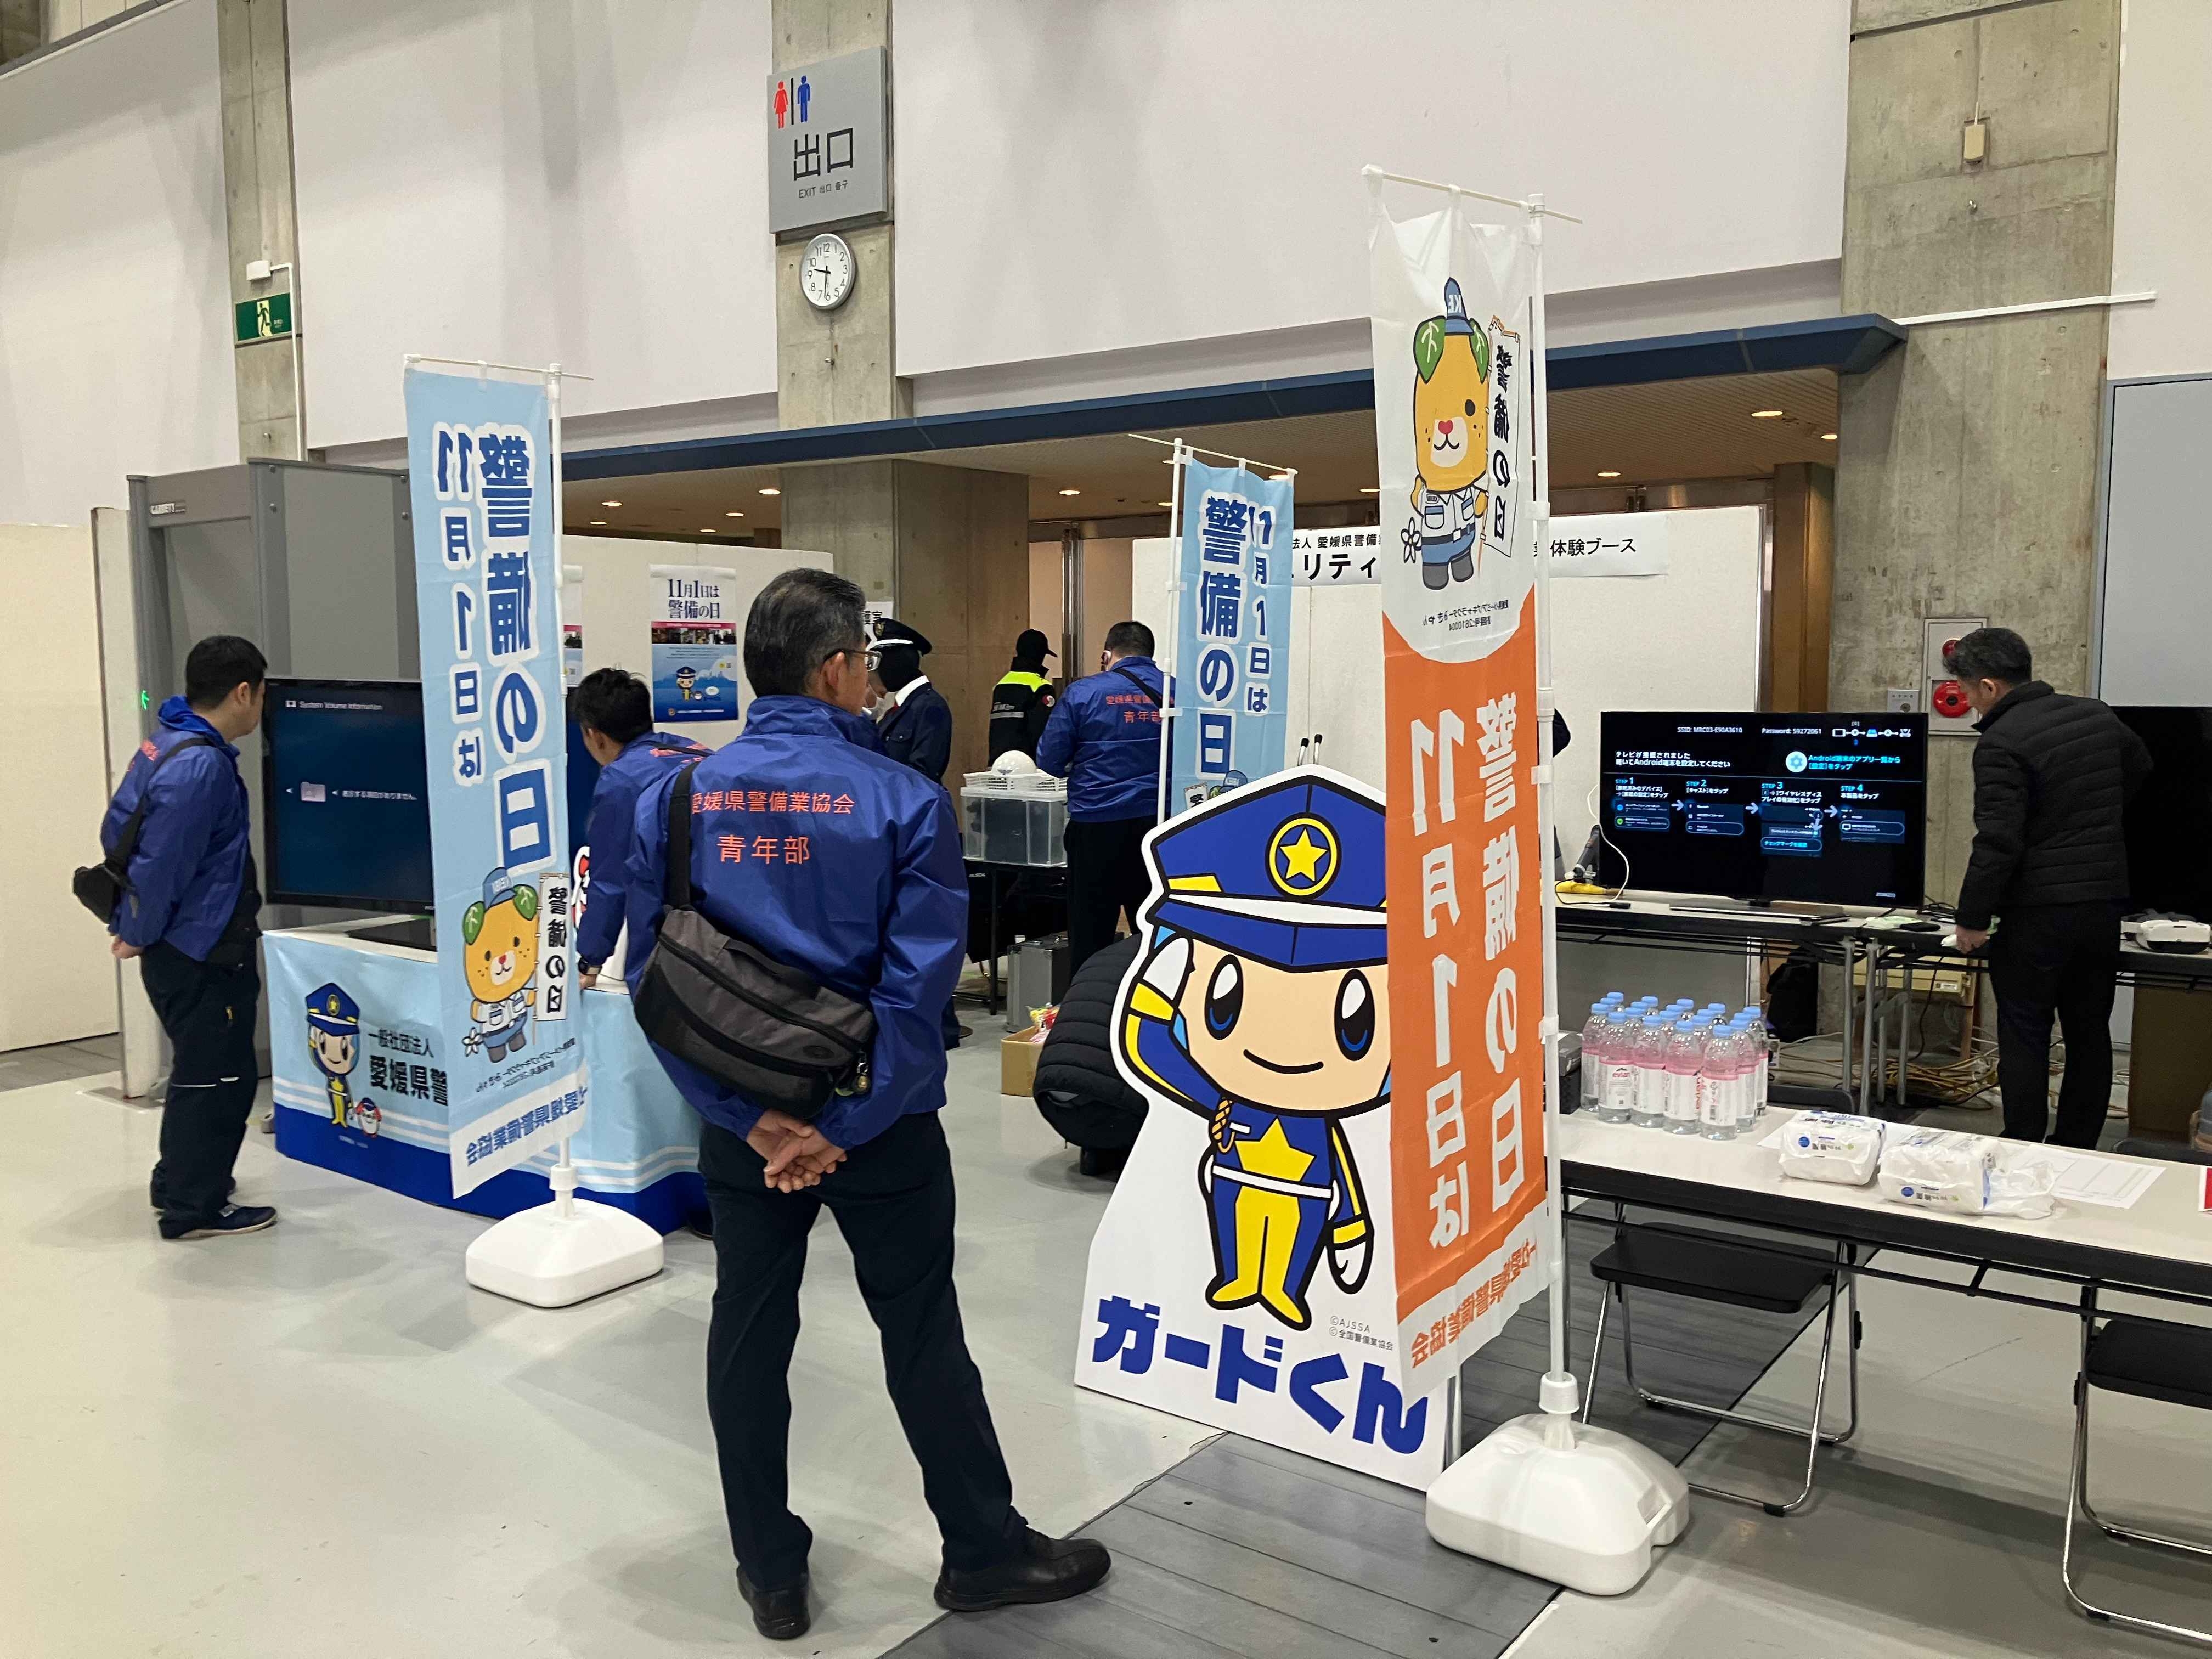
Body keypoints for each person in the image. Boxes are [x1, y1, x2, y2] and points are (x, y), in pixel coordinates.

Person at [620, 568, 1109, 1641]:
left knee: (748, 1331)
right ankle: (981, 1551)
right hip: (880, 1128)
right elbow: (914, 992)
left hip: (743, 1123)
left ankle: (768, 1570)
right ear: (839, 669)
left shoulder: (679, 796)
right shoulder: (901, 799)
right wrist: (835, 1127)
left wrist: (755, 1122)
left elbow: (651, 977)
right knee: (921, 1325)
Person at [1948, 627, 2152, 1147]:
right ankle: (2078, 1147)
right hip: (2102, 902)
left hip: (2036, 911)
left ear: (1989, 686)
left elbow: (1998, 841)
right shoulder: (2096, 715)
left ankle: (2021, 1141)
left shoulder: (2001, 742)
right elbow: (2141, 769)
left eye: (1967, 692)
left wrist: (1971, 919)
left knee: (2025, 1030)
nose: (1968, 703)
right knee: (2089, 1031)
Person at [101, 635, 275, 1240]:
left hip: (185, 945)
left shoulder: (167, 742)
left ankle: (177, 1181)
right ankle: (193, 1209)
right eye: (262, 694)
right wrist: (135, 931)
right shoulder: (201, 766)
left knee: (200, 1072)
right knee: (217, 1078)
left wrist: (136, 926)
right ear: (243, 692)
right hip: (200, 951)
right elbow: (162, 864)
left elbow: (123, 834)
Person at [567, 667, 709, 988]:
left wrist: (590, 960)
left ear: (594, 735)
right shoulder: (698, 752)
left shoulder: (622, 780)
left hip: (675, 939)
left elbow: (609, 880)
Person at [1036, 619, 1163, 972]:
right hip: (1160, 827)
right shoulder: (1177, 692)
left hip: (1096, 825)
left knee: (1091, 933)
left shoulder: (1083, 693)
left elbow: (1049, 759)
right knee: (1157, 934)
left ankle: (1090, 1002)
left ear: (1107, 655)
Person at [868, 617, 968, 1046]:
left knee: (923, 926)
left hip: (918, 829)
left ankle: (942, 1026)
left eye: (880, 661)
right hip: (894, 826)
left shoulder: (929, 707)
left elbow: (923, 771)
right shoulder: (895, 710)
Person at [870, 618, 953, 785]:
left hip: (911, 800)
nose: (881, 671)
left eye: (885, 662)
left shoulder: (931, 707)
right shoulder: (898, 708)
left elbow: (924, 773)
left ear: (901, 662)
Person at [986, 628, 1058, 761]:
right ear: (1040, 656)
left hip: (998, 763)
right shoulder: (1041, 687)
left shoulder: (1001, 685)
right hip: (1027, 766)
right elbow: (1044, 733)